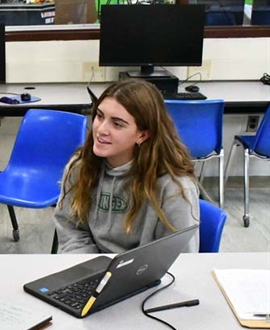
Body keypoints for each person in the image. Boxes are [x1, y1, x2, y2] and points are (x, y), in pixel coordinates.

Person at [55, 79, 200, 254]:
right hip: (90, 268)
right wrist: (92, 269)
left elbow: (177, 258)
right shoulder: (80, 166)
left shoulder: (175, 188)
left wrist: (126, 276)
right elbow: (71, 229)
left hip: (145, 275)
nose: (101, 130)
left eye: (117, 124)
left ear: (143, 135)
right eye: (100, 116)